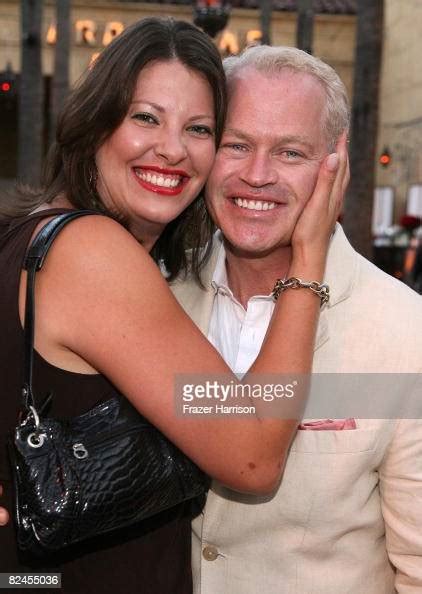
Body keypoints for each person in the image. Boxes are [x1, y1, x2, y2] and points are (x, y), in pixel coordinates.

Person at [0, 18, 346, 594]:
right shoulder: (92, 253)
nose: (172, 148)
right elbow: (253, 456)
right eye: (145, 117)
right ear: (96, 123)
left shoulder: (29, 237)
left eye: (201, 129)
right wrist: (309, 260)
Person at [170, 46, 422, 593]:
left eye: (289, 152)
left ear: (336, 161)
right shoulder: (157, 295)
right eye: (237, 144)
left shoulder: (406, 331)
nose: (256, 176)